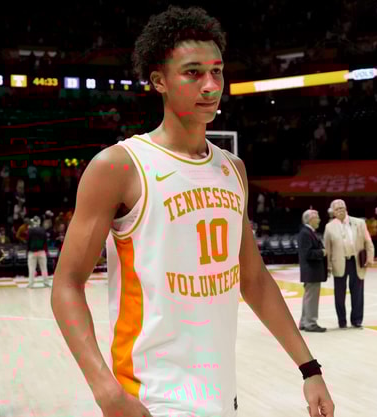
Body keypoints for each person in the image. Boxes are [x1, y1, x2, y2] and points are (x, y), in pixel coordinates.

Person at [50, 7, 334, 417]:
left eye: (217, 72)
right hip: (151, 396)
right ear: (159, 80)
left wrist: (309, 369)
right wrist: (105, 391)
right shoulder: (119, 166)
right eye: (193, 72)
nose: (210, 85)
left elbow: (253, 279)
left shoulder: (231, 168)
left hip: (221, 395)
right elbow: (66, 286)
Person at [324, 199, 375, 329]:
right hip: (339, 262)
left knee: (358, 292)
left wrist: (370, 257)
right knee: (339, 294)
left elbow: (368, 241)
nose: (340, 210)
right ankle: (342, 320)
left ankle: (357, 320)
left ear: (346, 208)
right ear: (333, 212)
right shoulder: (329, 227)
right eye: (337, 209)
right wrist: (327, 266)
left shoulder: (359, 223)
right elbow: (328, 249)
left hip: (356, 261)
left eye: (342, 207)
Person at [297, 209, 327, 333]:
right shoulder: (305, 233)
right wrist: (322, 252)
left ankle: (304, 321)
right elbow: (307, 253)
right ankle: (311, 323)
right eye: (317, 217)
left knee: (308, 297)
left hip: (311, 271)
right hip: (311, 271)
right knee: (312, 298)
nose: (319, 220)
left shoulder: (308, 232)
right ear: (310, 219)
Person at [26, 216, 50, 288]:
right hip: (41, 251)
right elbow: (45, 242)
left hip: (32, 252)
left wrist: (27, 251)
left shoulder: (30, 230)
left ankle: (31, 284)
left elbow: (28, 242)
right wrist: (46, 251)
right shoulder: (43, 230)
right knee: (44, 268)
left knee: (31, 269)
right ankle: (46, 283)